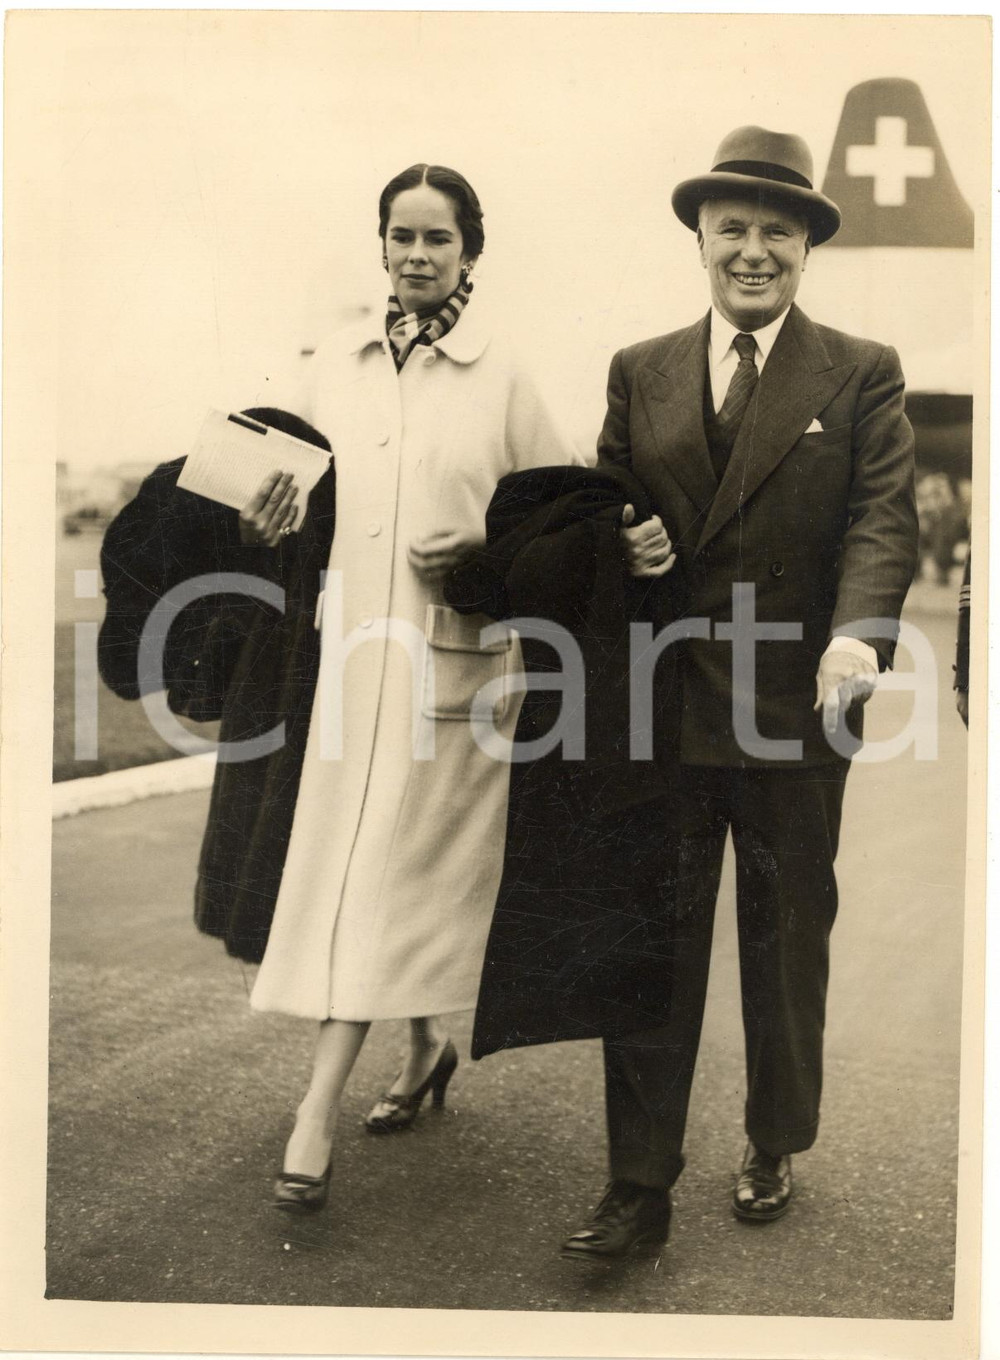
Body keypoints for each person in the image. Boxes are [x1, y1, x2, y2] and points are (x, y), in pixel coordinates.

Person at [560, 126, 918, 1262]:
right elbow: (603, 506)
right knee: (652, 948)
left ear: (806, 245)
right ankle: (636, 1183)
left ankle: (772, 1135)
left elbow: (880, 519)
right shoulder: (640, 366)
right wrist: (626, 540)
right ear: (700, 240)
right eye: (733, 229)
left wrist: (857, 641)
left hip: (796, 709)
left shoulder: (860, 369)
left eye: (777, 230)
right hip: (667, 709)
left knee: (782, 940)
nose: (752, 250)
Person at [222, 163, 581, 1214]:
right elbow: (269, 488)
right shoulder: (335, 364)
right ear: (379, 245)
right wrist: (269, 510)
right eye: (401, 236)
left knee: (379, 886)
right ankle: (424, 1052)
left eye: (438, 239)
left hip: (458, 683)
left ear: (472, 250)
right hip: (353, 670)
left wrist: (479, 543)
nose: (417, 256)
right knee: (365, 884)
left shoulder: (504, 371)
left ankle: (313, 1114)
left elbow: (560, 522)